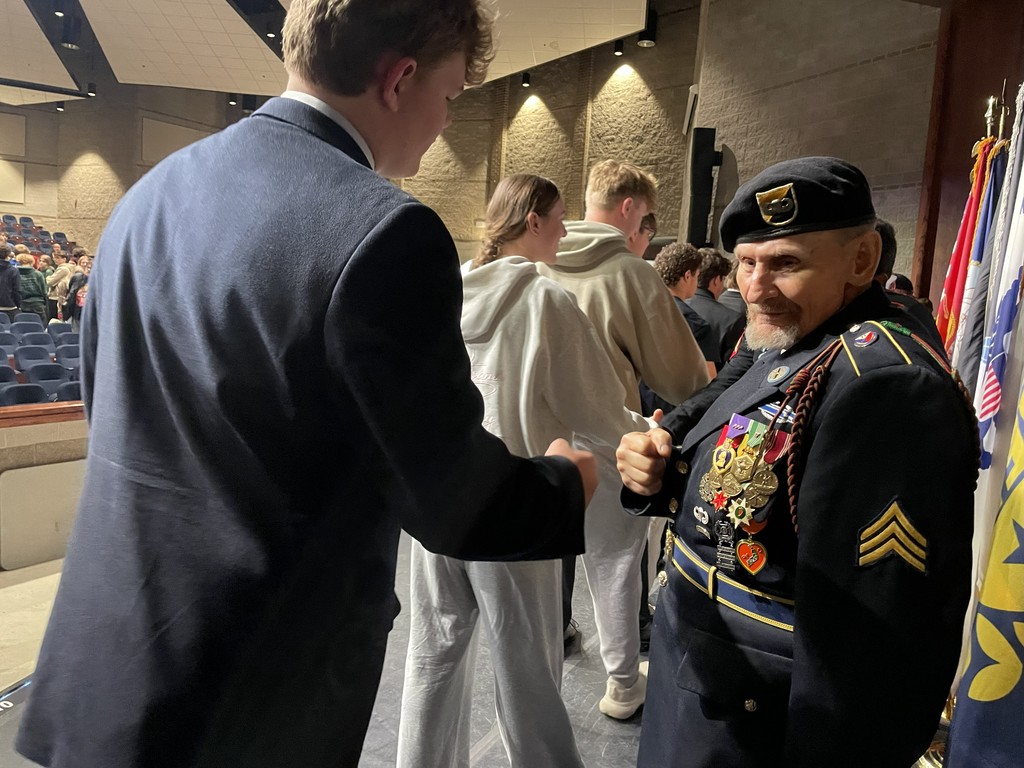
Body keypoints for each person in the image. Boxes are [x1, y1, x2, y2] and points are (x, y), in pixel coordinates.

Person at [16, 3, 599, 768]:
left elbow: (112, 410)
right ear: (400, 79)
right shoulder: (386, 232)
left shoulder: (148, 197)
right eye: (452, 94)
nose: (446, 120)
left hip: (103, 666)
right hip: (252, 699)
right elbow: (452, 502)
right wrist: (565, 482)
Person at [615, 157, 977, 768]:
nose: (756, 287)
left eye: (785, 263)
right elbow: (730, 388)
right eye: (746, 263)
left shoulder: (883, 385)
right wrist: (661, 443)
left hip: (762, 712)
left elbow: (870, 645)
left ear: (861, 260)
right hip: (708, 668)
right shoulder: (801, 331)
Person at [398, 174, 650, 768]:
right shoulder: (544, 302)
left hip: (440, 499)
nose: (564, 231)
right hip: (516, 503)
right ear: (532, 221)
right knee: (528, 673)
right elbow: (595, 411)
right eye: (558, 218)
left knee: (432, 658)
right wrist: (645, 432)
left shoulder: (447, 291)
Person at [539, 158, 709, 719]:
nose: (645, 231)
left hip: (530, 436)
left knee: (538, 562)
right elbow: (682, 379)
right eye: (646, 219)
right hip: (603, 435)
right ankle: (620, 685)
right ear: (629, 207)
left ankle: (538, 670)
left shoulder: (531, 260)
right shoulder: (629, 273)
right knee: (613, 563)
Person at [652, 242, 716, 377]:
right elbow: (708, 377)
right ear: (687, 276)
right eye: (697, 275)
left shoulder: (634, 309)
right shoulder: (695, 324)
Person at [687, 247, 745, 370]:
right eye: (723, 279)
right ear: (716, 280)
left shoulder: (673, 305)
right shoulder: (732, 319)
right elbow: (731, 365)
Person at [15, 253, 48, 326]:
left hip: (21, 304)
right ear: (32, 262)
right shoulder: (38, 274)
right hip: (37, 304)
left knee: (23, 326)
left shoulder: (15, 273)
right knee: (39, 326)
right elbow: (44, 291)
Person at [64, 255, 90, 330]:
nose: (89, 270)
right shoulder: (78, 278)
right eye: (87, 267)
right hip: (77, 313)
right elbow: (71, 295)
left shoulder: (99, 281)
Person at [44, 251, 73, 321]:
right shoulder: (68, 267)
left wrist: (47, 277)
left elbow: (50, 282)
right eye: (54, 258)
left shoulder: (63, 269)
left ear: (64, 259)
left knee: (53, 319)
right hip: (61, 297)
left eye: (58, 258)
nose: (55, 260)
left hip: (55, 297)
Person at [0, 245, 21, 322]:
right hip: (9, 307)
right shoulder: (13, 270)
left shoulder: (13, 270)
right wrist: (18, 305)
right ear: (8, 254)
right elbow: (17, 290)